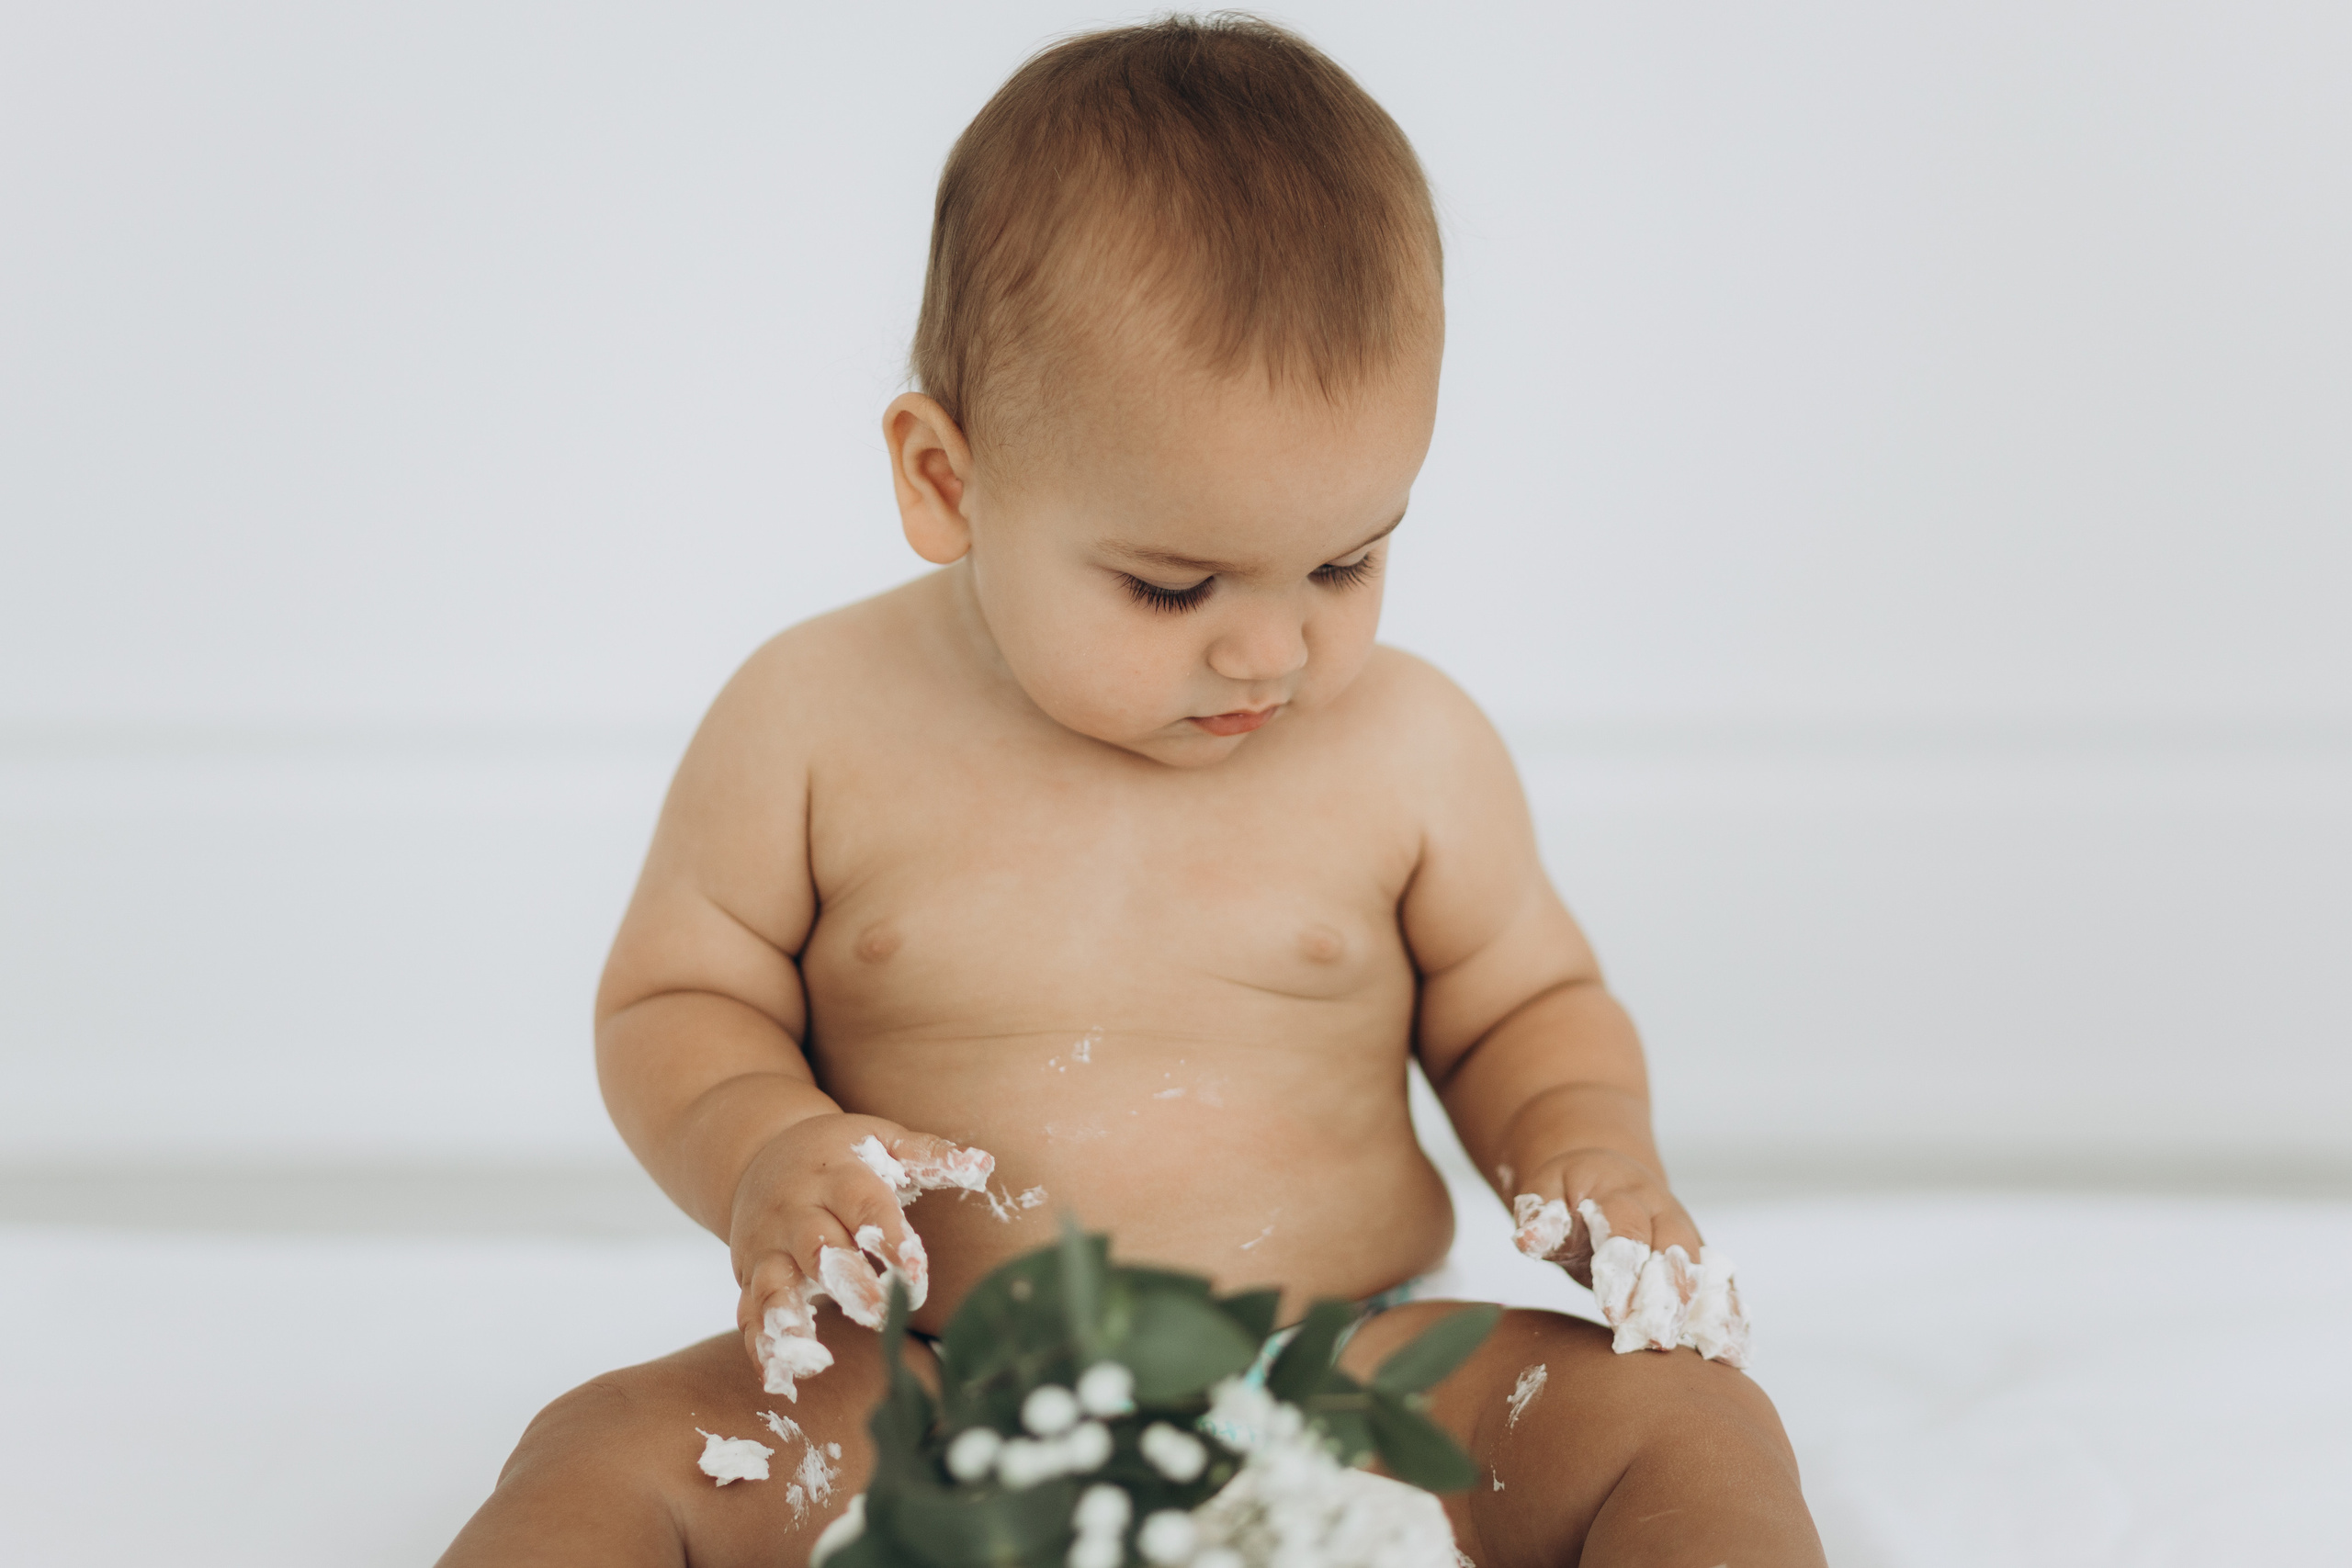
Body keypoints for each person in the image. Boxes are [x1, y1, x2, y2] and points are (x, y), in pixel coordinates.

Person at [439, 16, 1822, 1566]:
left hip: (1351, 1381)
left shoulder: (1414, 748)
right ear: (947, 480)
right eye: (1173, 586)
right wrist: (762, 1141)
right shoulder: (811, 720)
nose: (1272, 650)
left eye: (1347, 562)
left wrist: (1583, 1144)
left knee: (1689, 1421)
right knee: (607, 1449)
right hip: (932, 1391)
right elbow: (677, 998)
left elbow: (1525, 1006)